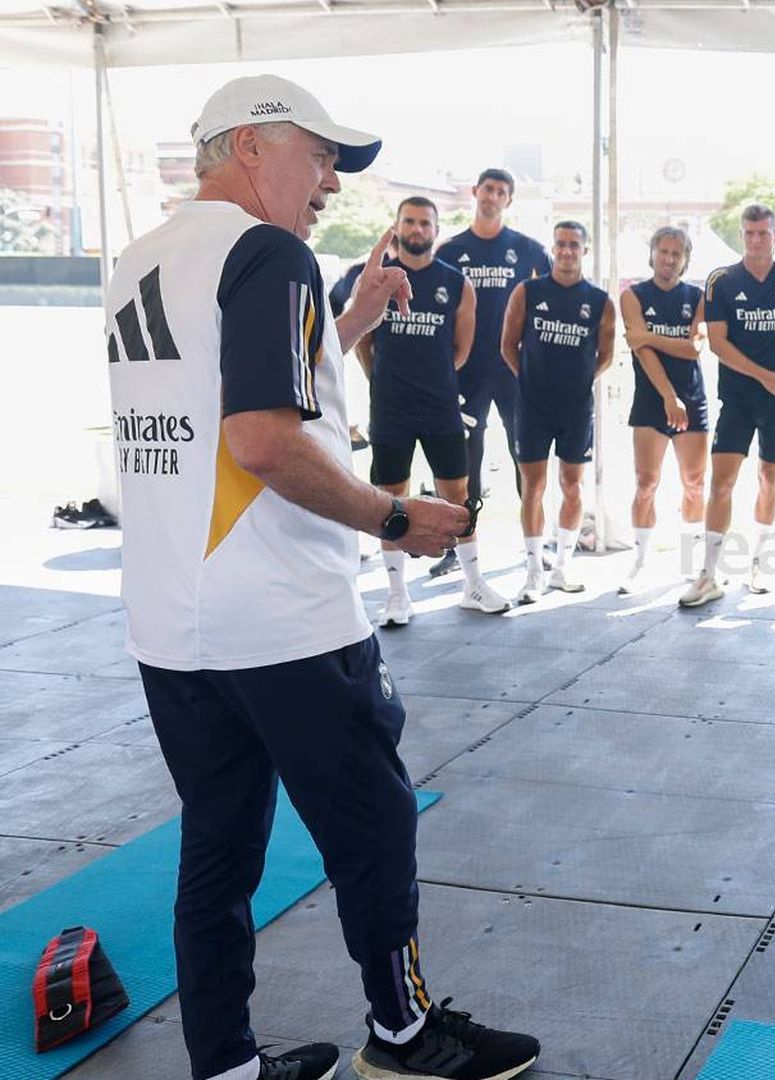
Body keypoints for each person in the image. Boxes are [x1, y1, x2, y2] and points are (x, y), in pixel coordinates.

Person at [105, 74, 538, 1080]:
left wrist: (349, 326)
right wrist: (393, 516)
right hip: (284, 619)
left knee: (217, 849)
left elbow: (232, 395)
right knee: (374, 824)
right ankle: (404, 1034)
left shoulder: (140, 259)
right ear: (250, 146)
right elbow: (260, 440)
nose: (332, 181)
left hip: (170, 622)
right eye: (320, 155)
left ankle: (225, 1066)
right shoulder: (272, 253)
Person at [350, 196, 506, 623]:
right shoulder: (376, 280)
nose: (417, 229)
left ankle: (473, 584)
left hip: (440, 408)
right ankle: (397, 595)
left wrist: (430, 378)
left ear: (436, 230)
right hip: (390, 411)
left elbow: (460, 350)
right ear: (397, 226)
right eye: (410, 222)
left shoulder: (456, 283)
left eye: (425, 223)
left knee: (458, 498)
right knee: (390, 501)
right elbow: (363, 341)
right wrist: (386, 378)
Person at [681, 204, 775, 607]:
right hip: (739, 398)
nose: (756, 240)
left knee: (769, 480)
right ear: (742, 236)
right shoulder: (722, 280)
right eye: (749, 233)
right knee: (721, 483)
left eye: (763, 233)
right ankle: (708, 574)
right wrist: (764, 375)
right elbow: (718, 343)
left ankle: (757, 563)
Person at [433, 168, 551, 576]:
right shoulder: (449, 251)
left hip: (515, 369)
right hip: (466, 370)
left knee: (526, 455)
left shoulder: (528, 250)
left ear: (509, 201)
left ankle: (535, 544)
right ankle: (455, 546)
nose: (493, 196)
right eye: (488, 189)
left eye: (501, 191)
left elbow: (552, 302)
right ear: (475, 192)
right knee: (465, 461)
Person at [502, 221, 615, 602]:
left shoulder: (600, 301)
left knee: (573, 485)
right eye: (561, 244)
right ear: (553, 248)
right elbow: (508, 346)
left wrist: (579, 381)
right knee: (533, 487)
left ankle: (562, 566)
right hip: (532, 406)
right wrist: (531, 379)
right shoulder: (529, 291)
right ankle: (534, 570)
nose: (567, 251)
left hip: (576, 408)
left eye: (574, 245)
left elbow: (607, 356)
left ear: (585, 250)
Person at [620, 225, 708, 594]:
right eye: (664, 252)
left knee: (694, 483)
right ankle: (639, 561)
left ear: (685, 259)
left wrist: (651, 336)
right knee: (646, 483)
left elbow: (695, 348)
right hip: (652, 400)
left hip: (692, 398)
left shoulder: (698, 296)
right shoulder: (633, 296)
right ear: (653, 253)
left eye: (677, 254)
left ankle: (691, 561)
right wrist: (668, 397)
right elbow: (643, 352)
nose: (669, 259)